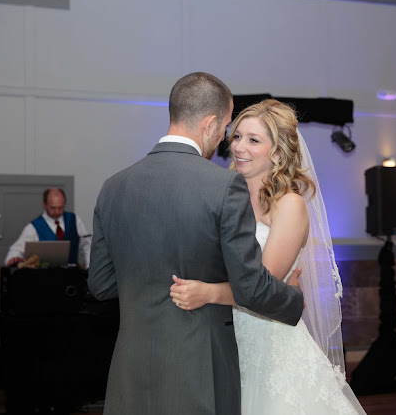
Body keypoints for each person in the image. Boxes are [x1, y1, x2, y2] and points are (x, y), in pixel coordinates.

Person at [87, 72, 304, 415]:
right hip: (198, 366)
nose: (225, 140)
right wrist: (294, 297)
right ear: (210, 123)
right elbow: (250, 287)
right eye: (227, 128)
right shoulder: (223, 186)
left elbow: (100, 284)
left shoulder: (113, 186)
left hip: (130, 367)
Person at [170, 99, 366, 414]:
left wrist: (205, 292)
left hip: (271, 346)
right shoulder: (221, 197)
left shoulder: (289, 204)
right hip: (223, 342)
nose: (238, 147)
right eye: (236, 136)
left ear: (276, 152)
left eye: (253, 140)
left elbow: (261, 286)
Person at [4, 187, 91, 268]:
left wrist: (89, 268)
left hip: (73, 275)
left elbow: (87, 245)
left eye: (60, 207)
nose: (57, 212)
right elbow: (16, 249)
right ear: (44, 204)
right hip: (45, 278)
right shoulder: (33, 227)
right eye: (53, 208)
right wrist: (13, 258)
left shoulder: (74, 220)